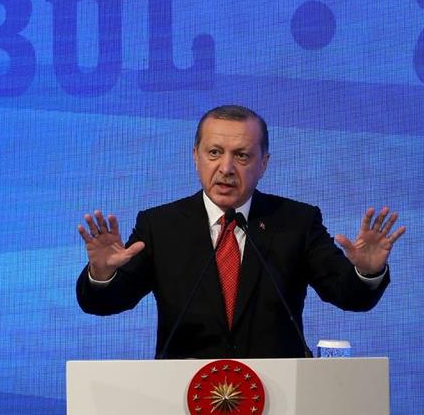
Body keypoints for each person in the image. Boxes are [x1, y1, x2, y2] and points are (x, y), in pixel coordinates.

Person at [76, 105, 406, 359]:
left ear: (263, 163)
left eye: (242, 155)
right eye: (214, 152)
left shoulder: (296, 222)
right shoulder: (160, 225)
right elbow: (106, 302)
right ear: (195, 157)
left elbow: (348, 295)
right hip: (186, 395)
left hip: (278, 396)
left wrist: (367, 272)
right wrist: (101, 275)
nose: (226, 168)